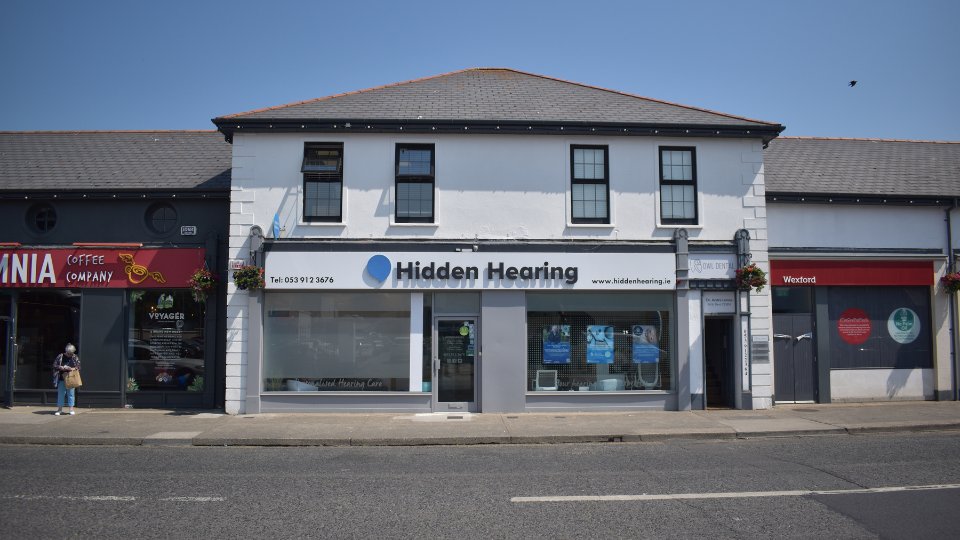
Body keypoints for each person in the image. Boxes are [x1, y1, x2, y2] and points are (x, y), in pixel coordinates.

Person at [52, 343, 81, 416]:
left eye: (71, 353)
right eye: (69, 353)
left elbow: (79, 366)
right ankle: (59, 409)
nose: (70, 355)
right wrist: (61, 367)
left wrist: (72, 368)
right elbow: (54, 365)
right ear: (66, 351)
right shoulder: (60, 356)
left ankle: (71, 409)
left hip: (71, 377)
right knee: (61, 394)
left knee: (71, 394)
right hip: (62, 378)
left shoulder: (74, 357)